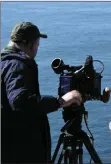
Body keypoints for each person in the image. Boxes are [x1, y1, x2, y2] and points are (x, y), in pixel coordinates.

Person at [1, 22, 83, 163]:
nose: (37, 50)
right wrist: (61, 101)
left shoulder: (4, 63)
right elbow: (21, 102)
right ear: (29, 44)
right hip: (22, 151)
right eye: (37, 45)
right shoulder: (17, 65)